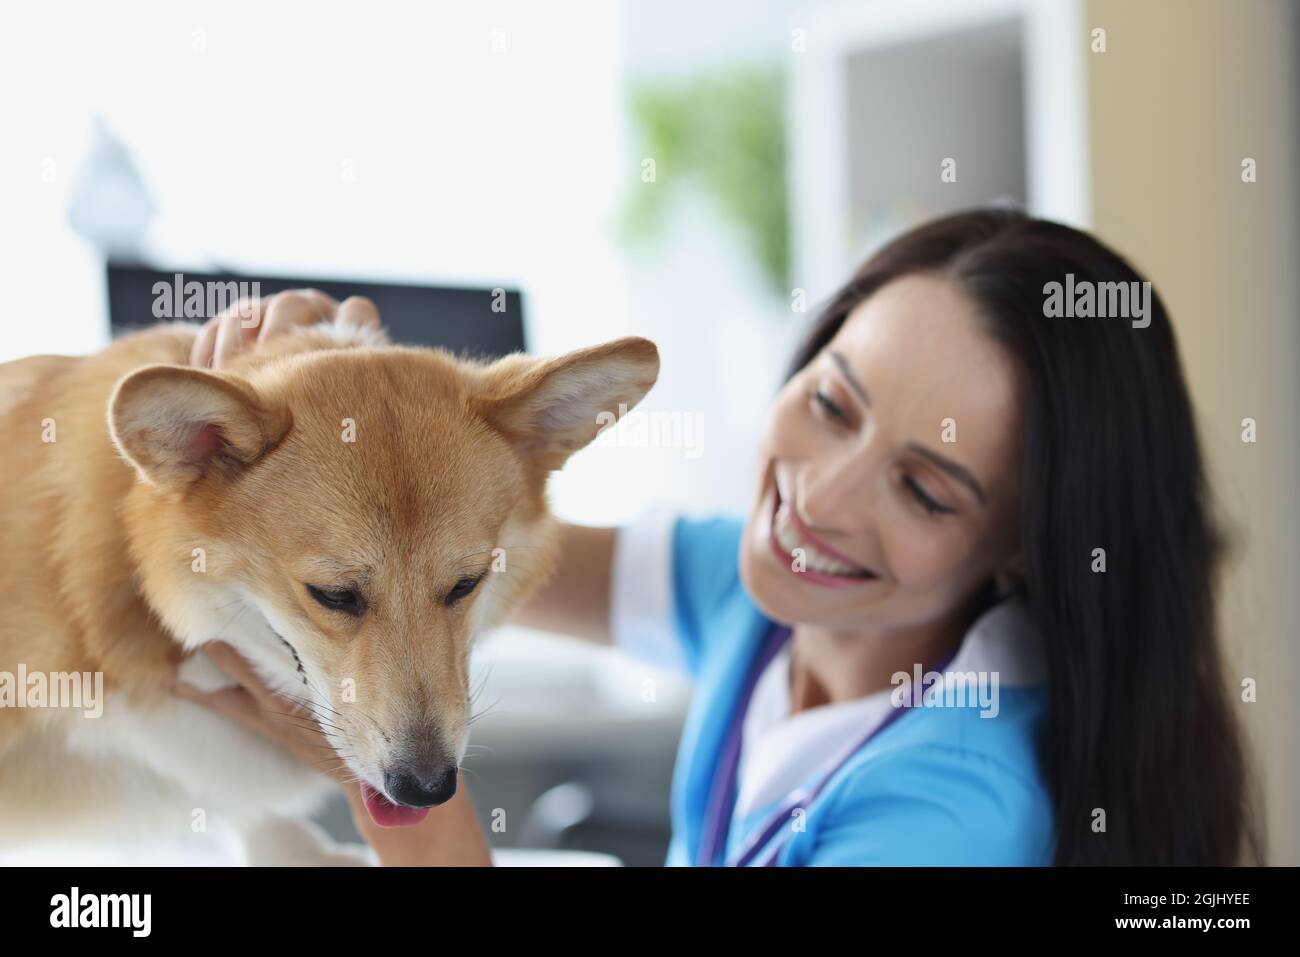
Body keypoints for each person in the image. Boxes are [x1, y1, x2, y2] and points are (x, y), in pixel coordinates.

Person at [177, 209, 1260, 866]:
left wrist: (391, 778)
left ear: (1028, 544)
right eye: (832, 404)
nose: (817, 502)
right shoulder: (770, 594)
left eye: (924, 490)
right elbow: (456, 548)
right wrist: (332, 388)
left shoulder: (948, 814)